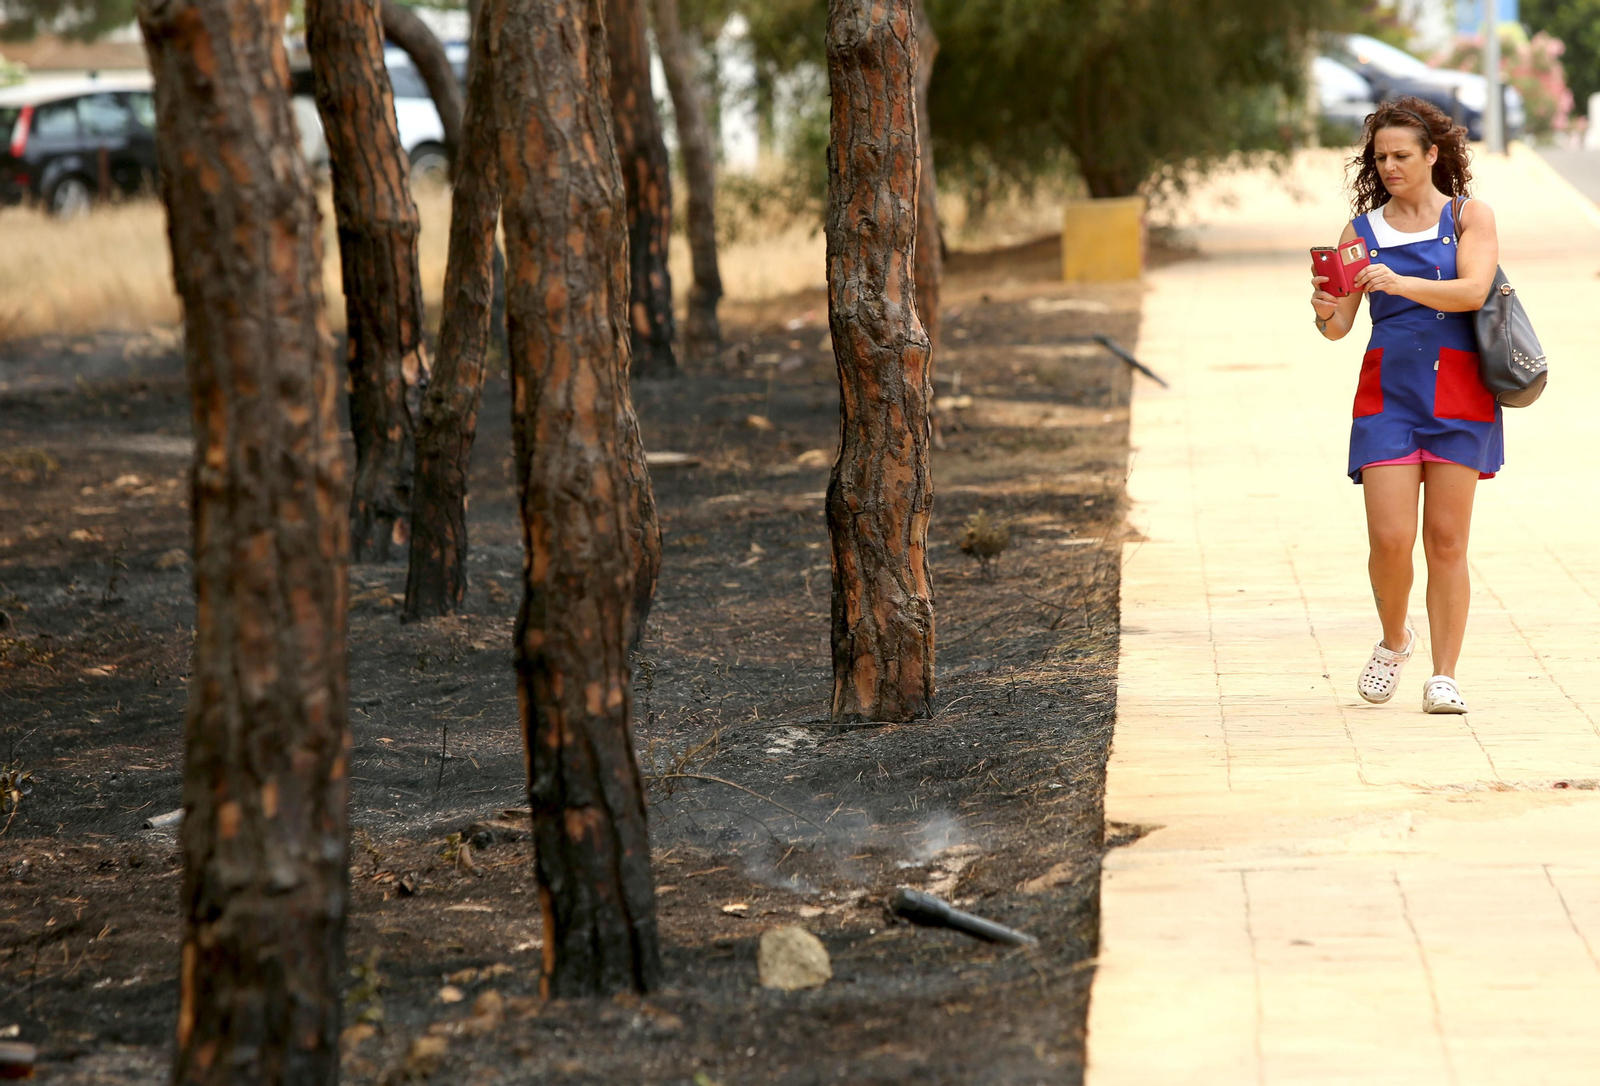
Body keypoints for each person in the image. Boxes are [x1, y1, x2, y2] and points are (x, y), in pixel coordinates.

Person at [1310, 97, 1501, 714]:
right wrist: (1322, 307)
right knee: (1390, 540)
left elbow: (1473, 290)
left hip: (1461, 391)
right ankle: (1395, 641)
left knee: (1446, 540)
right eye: (1380, 157)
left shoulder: (1469, 217)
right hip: (1388, 395)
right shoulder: (1360, 233)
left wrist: (1397, 283)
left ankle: (1445, 675)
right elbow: (1338, 328)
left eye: (1401, 155)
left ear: (1432, 155)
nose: (1389, 166)